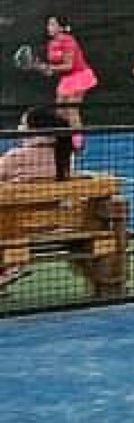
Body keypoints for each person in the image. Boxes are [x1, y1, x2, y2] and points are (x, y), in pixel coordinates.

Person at [0, 107, 75, 289]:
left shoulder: (15, 157)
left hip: (13, 226)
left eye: (23, 124)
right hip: (51, 224)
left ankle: (8, 268)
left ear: (34, 130)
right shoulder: (63, 157)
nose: (19, 127)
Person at [25, 16, 98, 141]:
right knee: (60, 112)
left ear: (61, 27)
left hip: (80, 76)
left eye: (52, 24)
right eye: (48, 24)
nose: (49, 27)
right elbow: (52, 71)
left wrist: (49, 67)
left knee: (72, 109)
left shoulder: (69, 41)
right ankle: (63, 139)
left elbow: (69, 65)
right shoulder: (51, 44)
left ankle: (77, 141)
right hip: (66, 79)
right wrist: (40, 67)